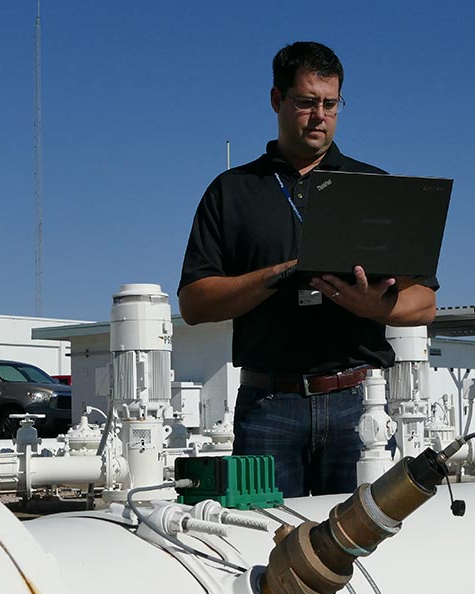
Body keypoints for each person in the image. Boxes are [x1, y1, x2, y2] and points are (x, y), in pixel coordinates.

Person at [178, 41, 438, 497]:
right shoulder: (231, 190)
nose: (319, 115)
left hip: (358, 404)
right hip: (268, 405)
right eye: (306, 102)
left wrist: (376, 305)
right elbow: (195, 302)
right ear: (277, 100)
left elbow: (425, 303)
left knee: (364, 545)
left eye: (330, 104)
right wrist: (278, 275)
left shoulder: (375, 187)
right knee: (265, 543)